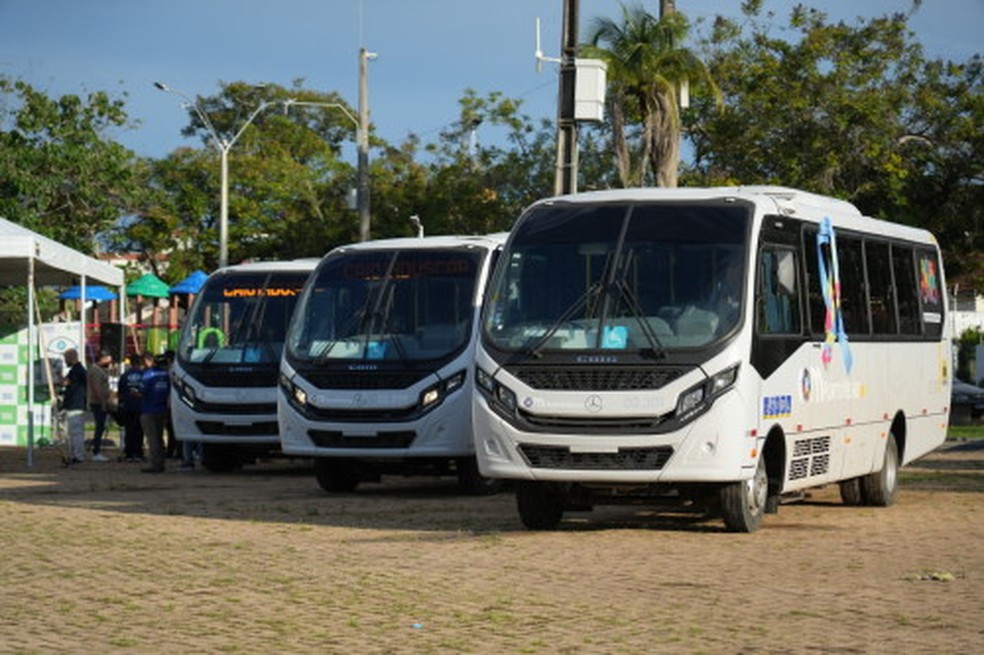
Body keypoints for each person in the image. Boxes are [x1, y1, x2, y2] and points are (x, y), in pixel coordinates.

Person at [137, 352, 171, 473]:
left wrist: (134, 393)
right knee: (160, 438)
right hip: (162, 409)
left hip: (148, 409)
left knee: (152, 439)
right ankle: (161, 463)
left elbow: (141, 391)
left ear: (147, 361)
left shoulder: (147, 375)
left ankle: (154, 464)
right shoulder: (166, 375)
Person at [60, 348, 87, 465]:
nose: (65, 361)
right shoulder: (76, 370)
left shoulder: (77, 370)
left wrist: (57, 375)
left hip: (76, 405)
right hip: (74, 404)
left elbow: (66, 382)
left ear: (71, 357)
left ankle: (78, 455)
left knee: (76, 432)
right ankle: (74, 454)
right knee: (73, 432)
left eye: (66, 358)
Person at [87, 349, 114, 462]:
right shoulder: (96, 371)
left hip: (102, 401)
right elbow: (96, 388)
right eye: (109, 359)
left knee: (101, 426)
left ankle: (95, 448)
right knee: (99, 426)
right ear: (103, 358)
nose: (110, 362)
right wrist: (103, 403)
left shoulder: (101, 370)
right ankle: (96, 451)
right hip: (97, 402)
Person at [117, 353, 145, 461]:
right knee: (139, 430)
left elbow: (120, 391)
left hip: (128, 406)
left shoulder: (125, 375)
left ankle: (128, 452)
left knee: (129, 430)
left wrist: (121, 402)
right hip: (140, 406)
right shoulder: (144, 374)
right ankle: (138, 452)